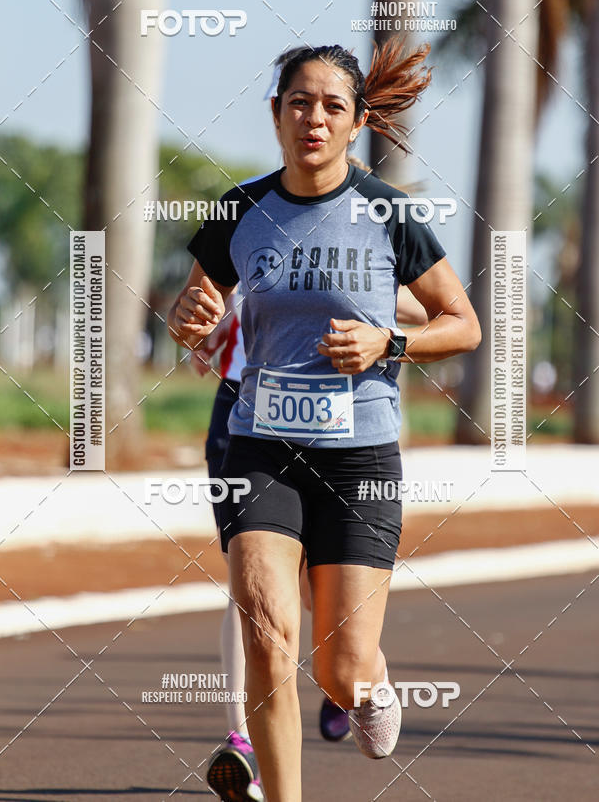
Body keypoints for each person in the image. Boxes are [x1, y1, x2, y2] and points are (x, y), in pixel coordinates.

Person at [168, 39, 481, 802]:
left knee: (337, 670)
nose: (314, 117)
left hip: (360, 461)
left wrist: (390, 340)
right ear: (275, 114)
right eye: (299, 102)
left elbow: (462, 322)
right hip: (261, 447)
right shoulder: (240, 211)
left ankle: (368, 684)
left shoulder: (388, 212)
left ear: (355, 122)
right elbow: (194, 310)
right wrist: (187, 316)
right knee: (269, 632)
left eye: (332, 106)